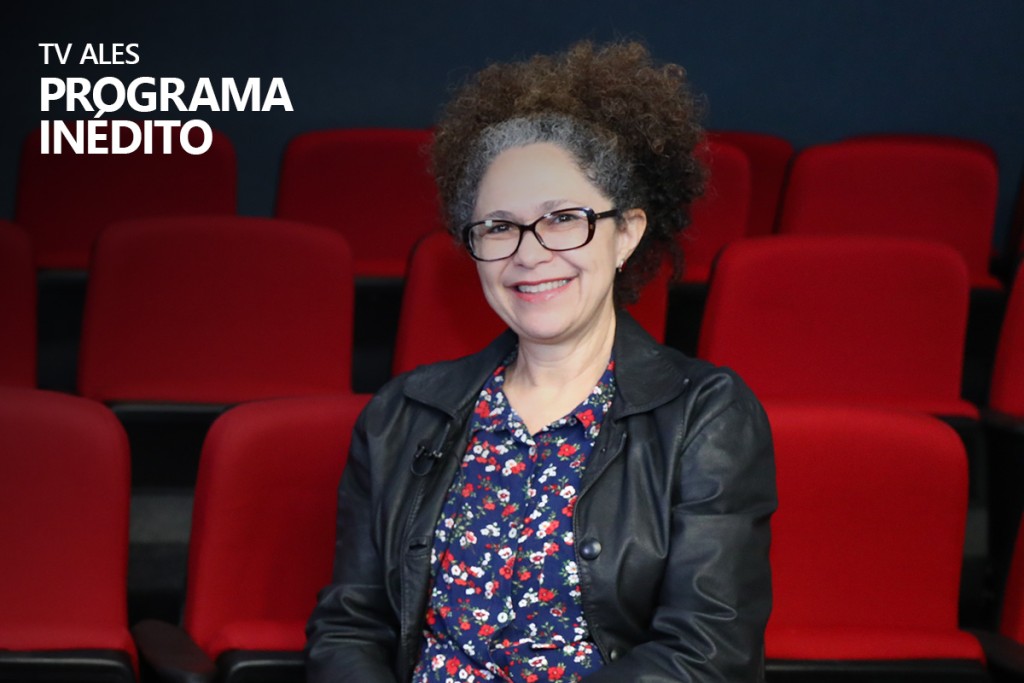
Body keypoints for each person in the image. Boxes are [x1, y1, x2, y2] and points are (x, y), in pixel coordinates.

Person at [306, 40, 776, 683]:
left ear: (627, 232)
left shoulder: (706, 415)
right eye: (499, 227)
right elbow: (349, 628)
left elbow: (707, 652)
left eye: (563, 219)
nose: (529, 254)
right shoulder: (401, 414)